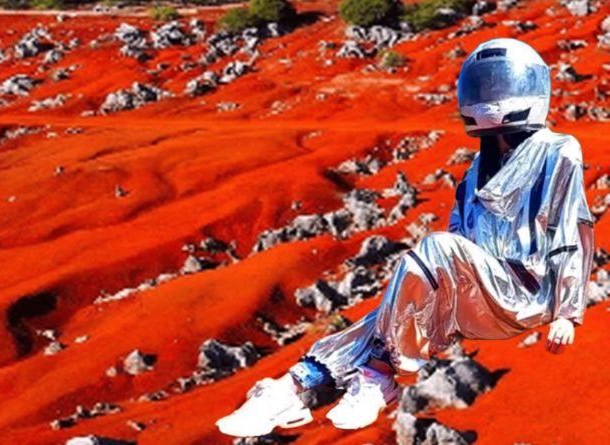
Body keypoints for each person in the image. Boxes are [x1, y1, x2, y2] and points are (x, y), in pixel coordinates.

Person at [217, 37, 594, 437]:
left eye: (500, 86)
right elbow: (461, 234)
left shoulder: (558, 150)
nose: (490, 97)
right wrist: (438, 297)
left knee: (435, 248)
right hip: (479, 297)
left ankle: (380, 374)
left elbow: (572, 225)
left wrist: (567, 311)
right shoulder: (474, 172)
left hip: (527, 294)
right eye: (483, 87)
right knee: (390, 311)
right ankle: (296, 385)